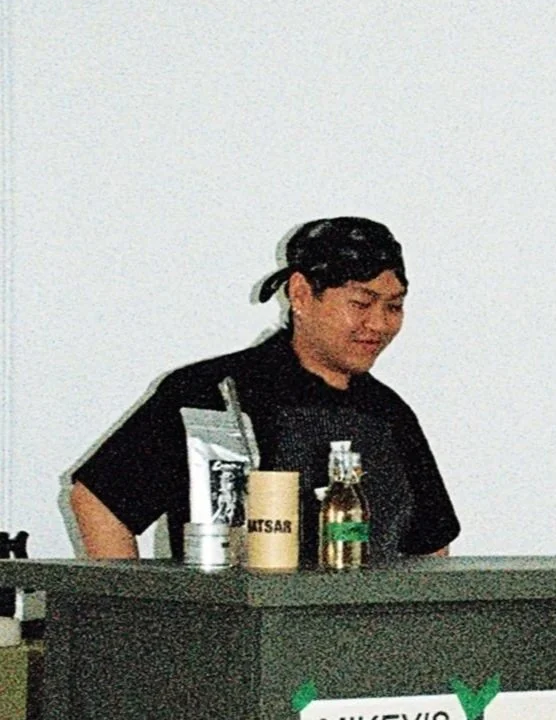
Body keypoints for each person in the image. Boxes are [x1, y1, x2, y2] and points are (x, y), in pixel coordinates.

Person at [70, 216, 460, 564]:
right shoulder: (211, 393)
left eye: (393, 307)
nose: (378, 324)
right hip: (234, 638)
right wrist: (136, 622)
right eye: (361, 303)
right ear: (301, 294)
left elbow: (430, 546)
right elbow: (100, 502)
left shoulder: (389, 413)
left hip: (368, 638)